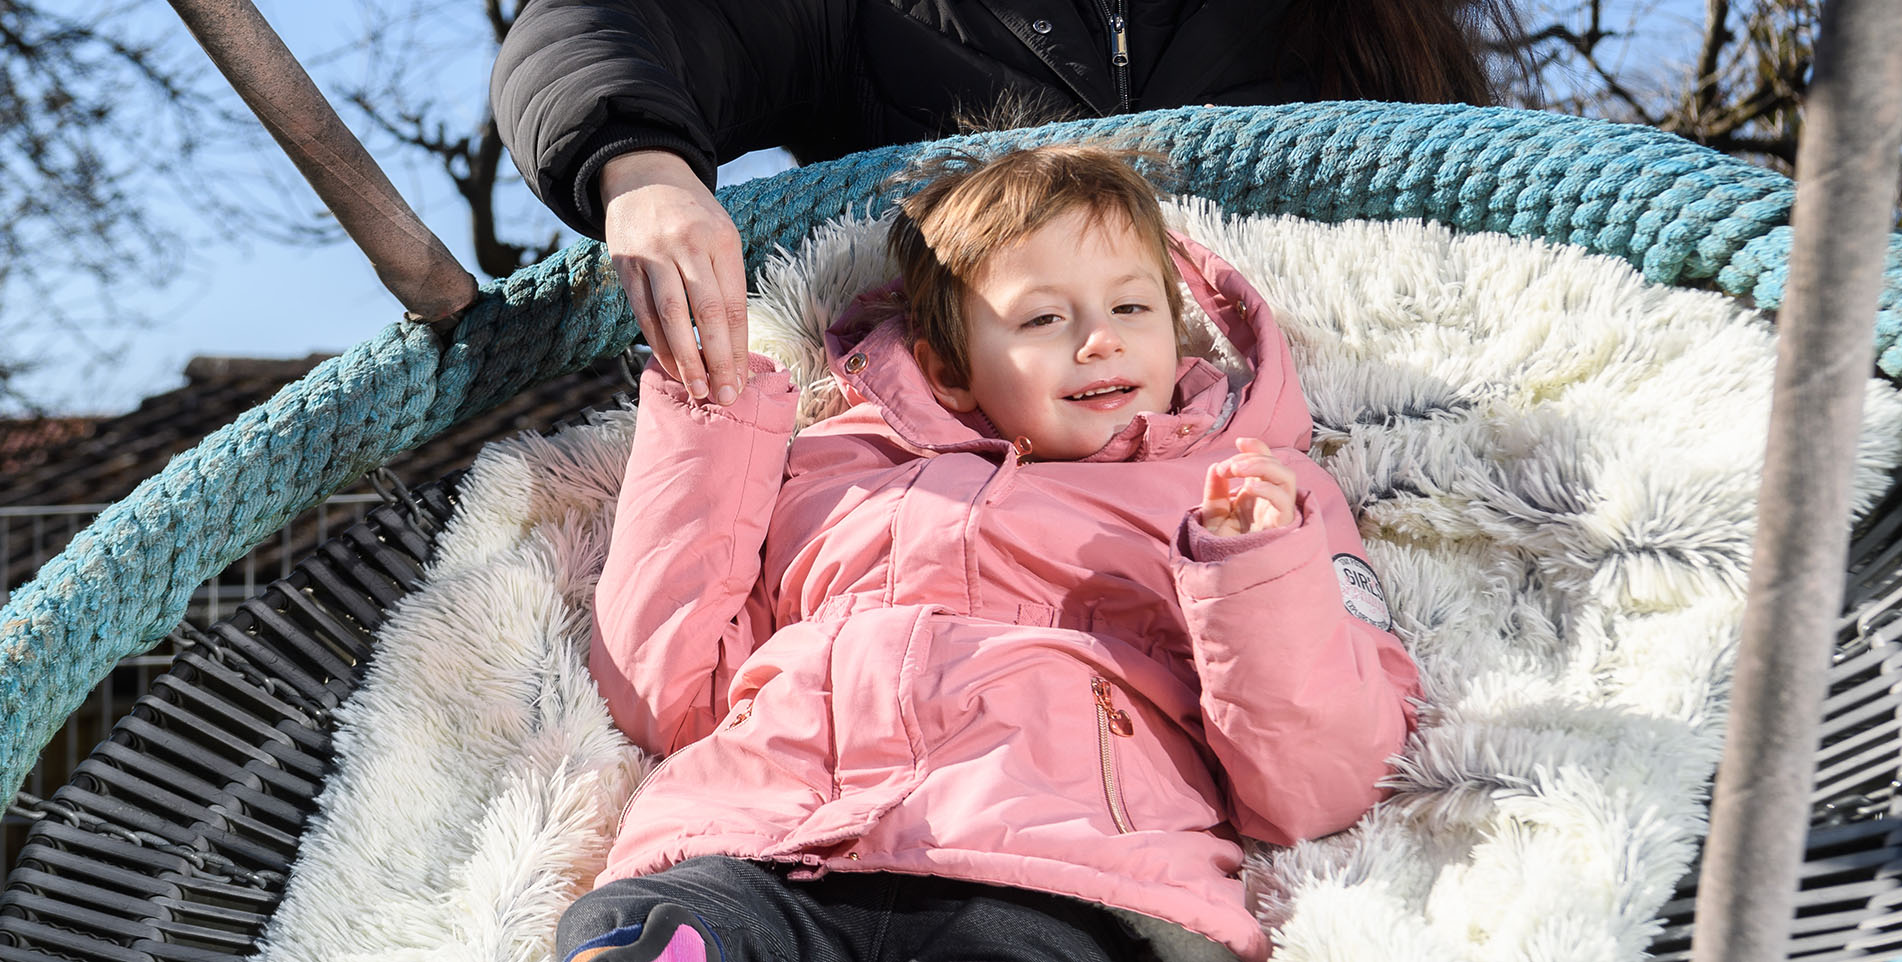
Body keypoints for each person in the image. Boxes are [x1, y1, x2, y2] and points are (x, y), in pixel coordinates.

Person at [566, 143, 1418, 962]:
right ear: (948, 370)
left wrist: (1254, 571)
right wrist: (710, 427)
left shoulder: (1247, 496)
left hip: (1050, 870)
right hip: (767, 839)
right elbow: (665, 698)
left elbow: (1320, 787)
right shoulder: (836, 473)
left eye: (1131, 308)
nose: (1100, 340)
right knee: (638, 924)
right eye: (1044, 318)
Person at [491, 0, 1521, 413]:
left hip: (1318, 450)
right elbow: (605, 21)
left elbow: (1475, 221)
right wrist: (642, 169)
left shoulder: (1360, 23)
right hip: (985, 467)